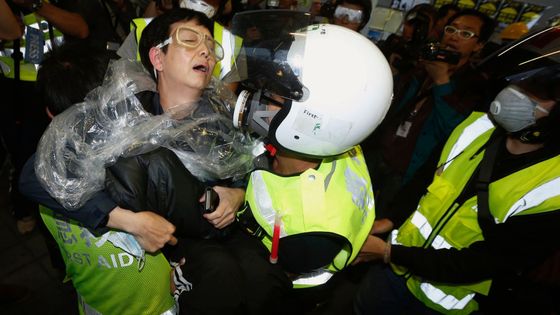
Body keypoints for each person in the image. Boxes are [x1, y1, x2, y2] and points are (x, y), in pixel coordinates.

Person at [21, 8, 252, 314]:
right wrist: (129, 221)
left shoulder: (220, 115)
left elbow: (249, 165)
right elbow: (34, 176)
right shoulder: (122, 113)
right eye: (190, 39)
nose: (205, 51)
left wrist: (237, 193)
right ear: (158, 59)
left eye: (211, 46)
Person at [353, 27, 560, 314]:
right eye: (516, 84)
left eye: (534, 92)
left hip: (443, 303)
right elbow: (423, 182)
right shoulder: (476, 127)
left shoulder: (553, 189)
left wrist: (388, 252)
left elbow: (486, 262)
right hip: (389, 276)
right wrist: (389, 221)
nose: (513, 94)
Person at [225, 18, 393, 313]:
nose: (257, 102)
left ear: (313, 123)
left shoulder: (310, 233)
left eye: (273, 98)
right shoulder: (332, 142)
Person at [363, 9, 495, 218]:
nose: (454, 36)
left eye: (466, 34)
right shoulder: (422, 67)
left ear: (479, 45)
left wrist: (442, 81)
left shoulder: (476, 85)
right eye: (451, 29)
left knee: (381, 221)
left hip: (410, 172)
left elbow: (456, 132)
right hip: (378, 155)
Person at [0, 0, 89, 234]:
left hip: (60, 86)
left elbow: (80, 28)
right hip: (16, 89)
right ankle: (23, 206)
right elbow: (11, 30)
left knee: (72, 148)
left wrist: (35, 4)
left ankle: (75, 200)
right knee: (24, 154)